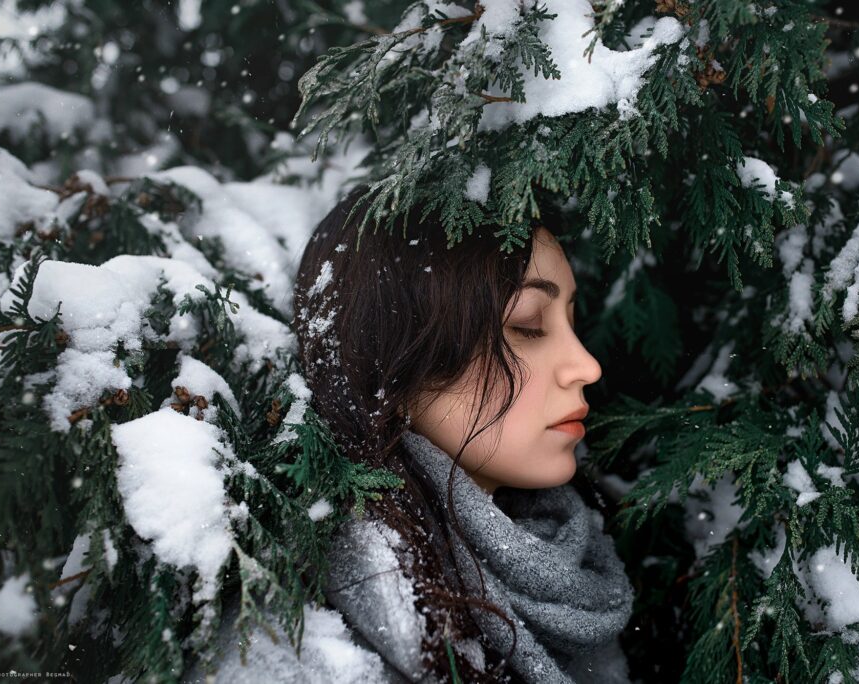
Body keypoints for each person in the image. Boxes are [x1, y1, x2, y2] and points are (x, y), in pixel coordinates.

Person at [190, 184, 634, 683]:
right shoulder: (291, 655)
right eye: (529, 325)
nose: (587, 366)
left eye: (573, 321)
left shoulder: (573, 571)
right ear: (395, 364)